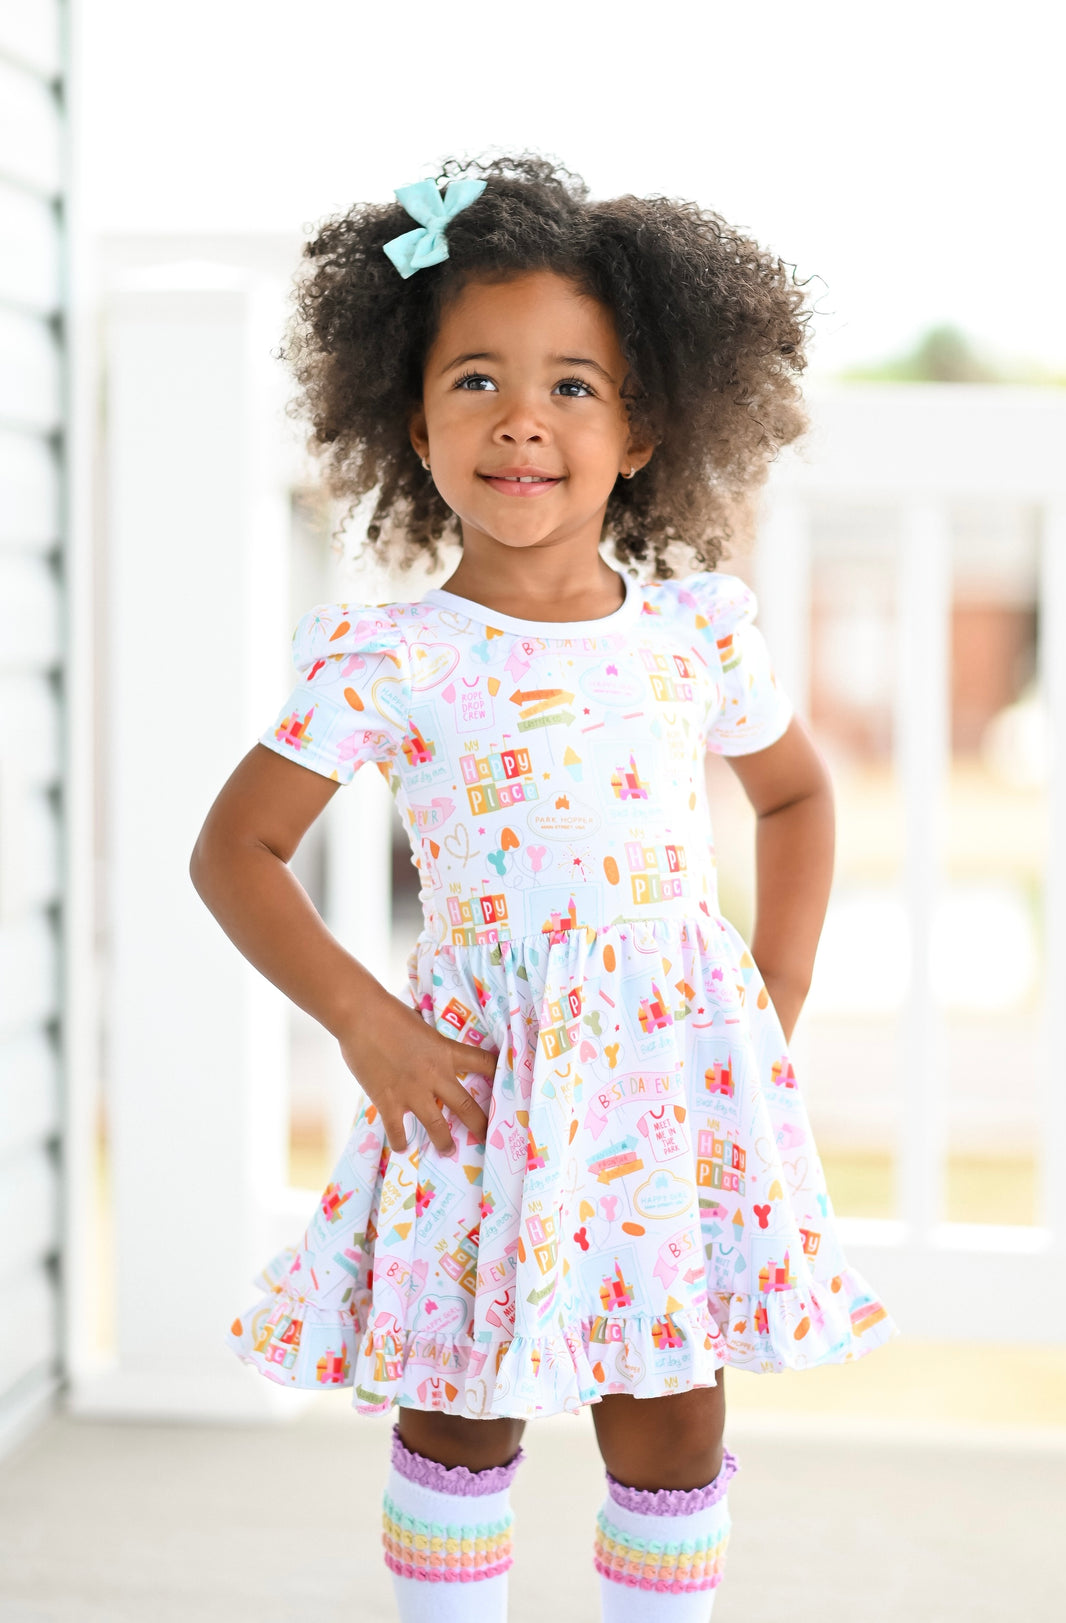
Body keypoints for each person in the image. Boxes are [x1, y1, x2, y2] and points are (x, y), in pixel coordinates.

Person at [190, 153, 898, 1623]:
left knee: (673, 1414)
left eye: (576, 385)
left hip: (665, 1081)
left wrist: (774, 991)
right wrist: (365, 1025)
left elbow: (796, 794)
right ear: (411, 420)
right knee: (460, 1409)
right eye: (477, 382)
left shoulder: (693, 631)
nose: (525, 419)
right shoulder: (390, 656)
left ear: (644, 428)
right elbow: (235, 852)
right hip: (477, 1082)